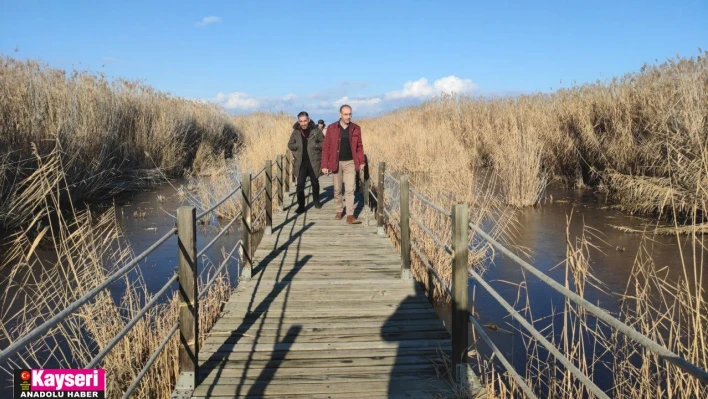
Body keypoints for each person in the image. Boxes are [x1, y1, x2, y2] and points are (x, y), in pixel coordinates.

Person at [321, 104, 366, 224]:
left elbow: (359, 146)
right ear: (340, 114)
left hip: (350, 162)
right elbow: (326, 147)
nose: (348, 116)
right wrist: (325, 165)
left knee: (350, 189)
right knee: (337, 189)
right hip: (336, 162)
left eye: (350, 114)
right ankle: (339, 210)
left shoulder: (356, 128)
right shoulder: (331, 128)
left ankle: (350, 215)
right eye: (346, 114)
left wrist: (361, 161)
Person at [287, 111, 325, 214]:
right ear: (298, 121)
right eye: (301, 121)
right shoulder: (296, 132)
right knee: (300, 185)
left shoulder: (316, 131)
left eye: (305, 121)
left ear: (308, 120)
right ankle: (301, 206)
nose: (303, 123)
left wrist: (316, 146)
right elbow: (290, 145)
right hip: (301, 162)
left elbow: (323, 142)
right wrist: (297, 147)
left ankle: (316, 201)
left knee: (315, 183)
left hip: (314, 161)